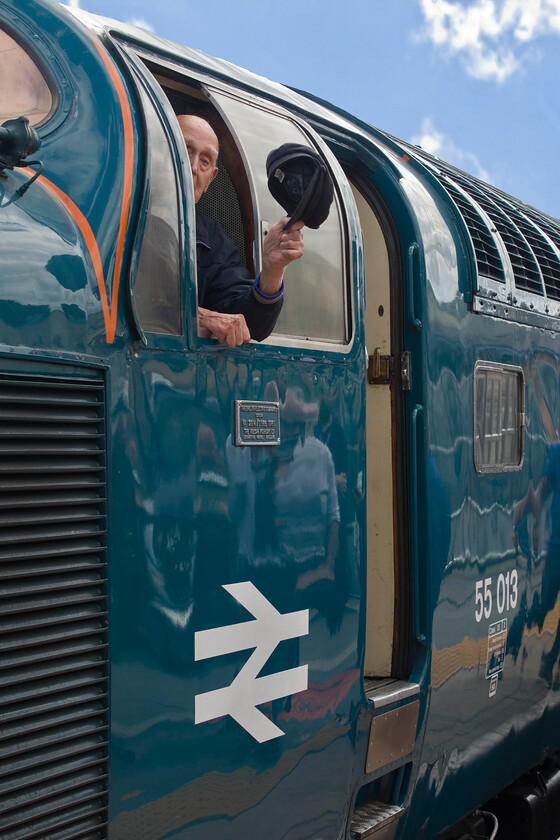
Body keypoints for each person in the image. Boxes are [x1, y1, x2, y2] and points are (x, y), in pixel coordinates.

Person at [177, 114, 305, 346]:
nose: (193, 166)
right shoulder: (111, 208)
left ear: (210, 179)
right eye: (185, 149)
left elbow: (250, 326)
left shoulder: (213, 241)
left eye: (205, 161)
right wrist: (202, 316)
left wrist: (272, 270)